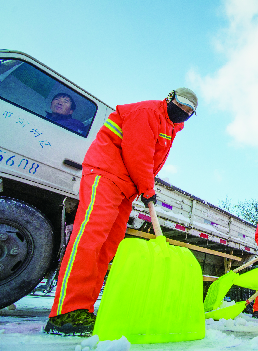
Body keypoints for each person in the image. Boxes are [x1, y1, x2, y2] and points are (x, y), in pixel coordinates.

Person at [44, 88, 198, 336]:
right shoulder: (149, 112)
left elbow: (149, 160)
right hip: (106, 175)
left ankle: (84, 310)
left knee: (106, 248)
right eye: (181, 106)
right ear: (169, 98)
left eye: (190, 112)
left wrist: (141, 187)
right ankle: (65, 312)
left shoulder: (170, 127)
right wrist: (148, 188)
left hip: (127, 188)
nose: (184, 113)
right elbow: (138, 152)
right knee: (89, 240)